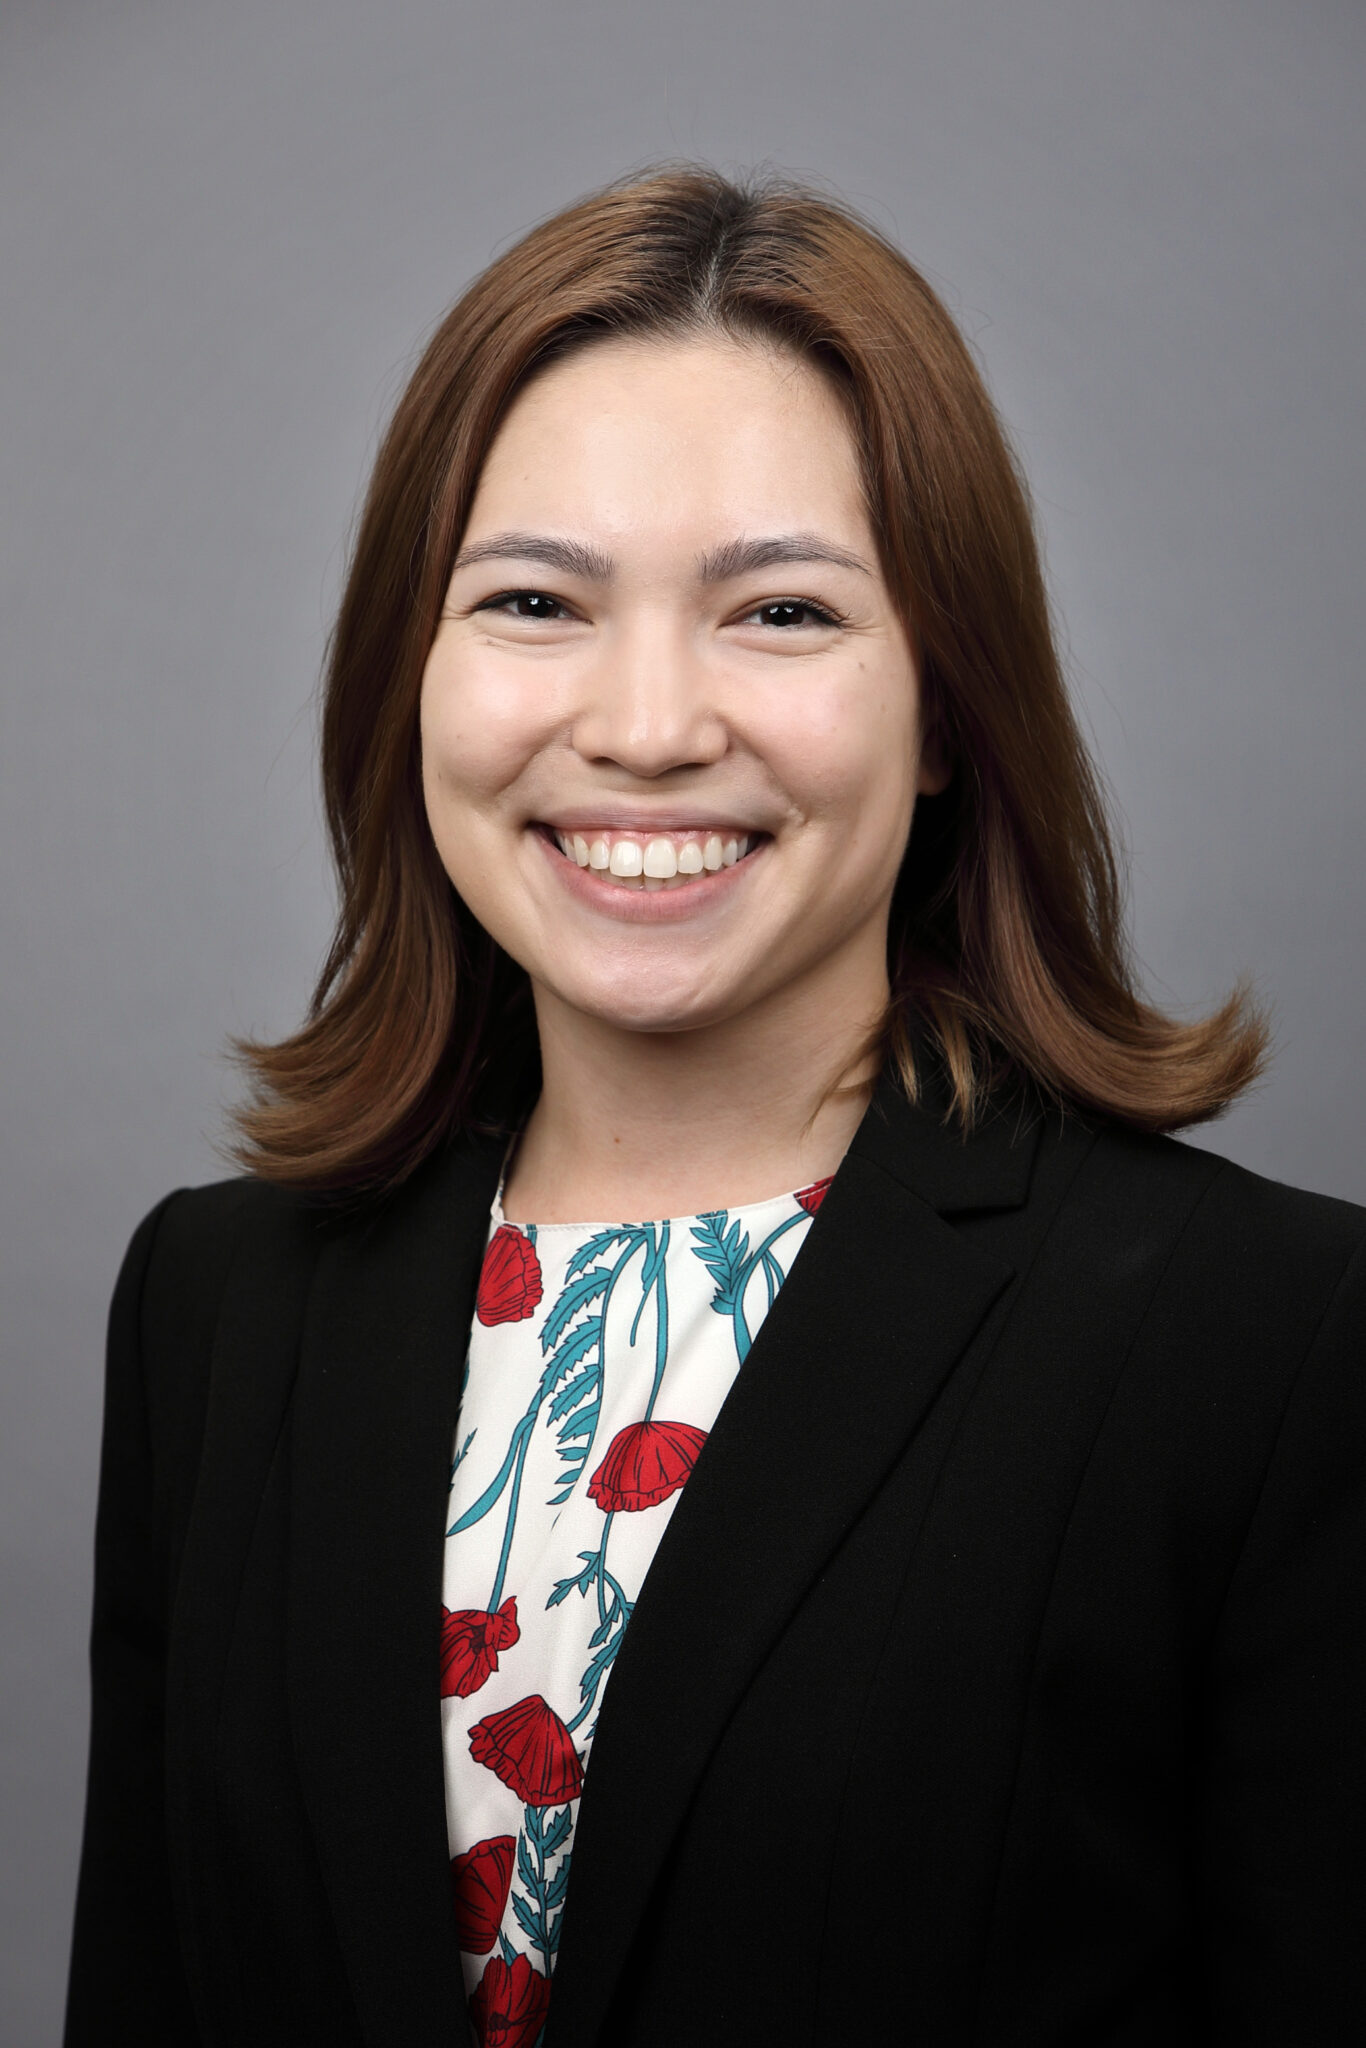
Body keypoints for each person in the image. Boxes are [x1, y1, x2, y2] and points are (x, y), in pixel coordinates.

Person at [64, 168, 1364, 2048]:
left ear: (946, 714)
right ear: (402, 684)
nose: (649, 721)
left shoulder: (1269, 1345)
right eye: (532, 601)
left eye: (775, 610)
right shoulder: (215, 1306)